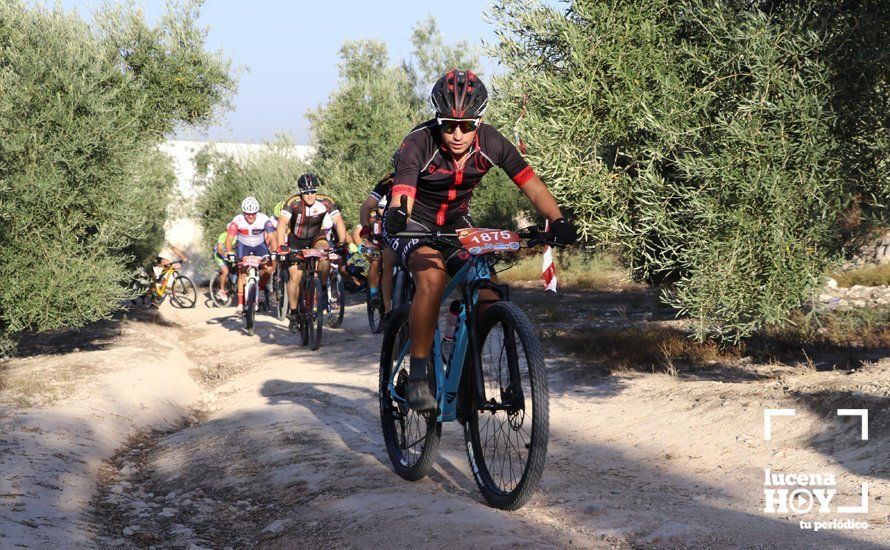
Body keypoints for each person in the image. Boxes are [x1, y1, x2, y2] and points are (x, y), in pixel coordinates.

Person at [383, 69, 578, 412]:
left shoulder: (491, 142)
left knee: (487, 292)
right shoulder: (419, 142)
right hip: (412, 220)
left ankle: (462, 361)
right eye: (448, 125)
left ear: (480, 121)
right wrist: (399, 212)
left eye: (468, 125)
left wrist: (558, 219)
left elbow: (530, 184)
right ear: (437, 120)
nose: (457, 134)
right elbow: (404, 189)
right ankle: (416, 375)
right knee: (432, 278)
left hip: (456, 221)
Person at [276, 173, 348, 329]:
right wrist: (281, 246)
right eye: (306, 192)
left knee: (325, 252)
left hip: (317, 236)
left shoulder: (325, 201)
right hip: (296, 240)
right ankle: (294, 313)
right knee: (295, 276)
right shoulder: (293, 202)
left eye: (313, 191)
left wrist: (342, 242)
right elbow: (282, 224)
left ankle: (321, 287)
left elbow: (339, 221)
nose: (310, 195)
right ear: (300, 192)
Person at [224, 196, 277, 314]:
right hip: (243, 246)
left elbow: (272, 237)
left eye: (253, 213)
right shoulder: (237, 220)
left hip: (260, 246)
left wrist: (274, 251)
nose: (251, 216)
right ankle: (240, 303)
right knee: (242, 272)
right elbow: (229, 239)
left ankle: (262, 289)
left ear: (257, 212)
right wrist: (229, 252)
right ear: (243, 212)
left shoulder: (264, 219)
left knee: (268, 269)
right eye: (248, 214)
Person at [212, 229, 231, 303]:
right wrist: (225, 254)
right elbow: (219, 249)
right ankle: (221, 291)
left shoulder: (239, 236)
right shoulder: (223, 235)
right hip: (219, 255)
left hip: (230, 255)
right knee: (225, 271)